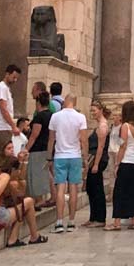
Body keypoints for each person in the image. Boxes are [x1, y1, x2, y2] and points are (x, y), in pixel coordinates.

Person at [0, 157, 48, 247]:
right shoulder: (5, 176)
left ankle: (14, 238)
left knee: (21, 209)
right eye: (18, 170)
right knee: (29, 202)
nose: (18, 173)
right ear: (13, 169)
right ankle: (34, 236)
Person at [47, 93, 88, 233]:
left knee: (60, 188)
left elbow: (51, 139)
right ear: (75, 103)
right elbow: (83, 139)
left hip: (60, 155)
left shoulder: (55, 116)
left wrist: (49, 157)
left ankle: (59, 222)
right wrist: (85, 157)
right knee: (73, 188)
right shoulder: (80, 117)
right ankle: (71, 221)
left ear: (64, 102)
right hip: (75, 155)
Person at [108, 100, 134, 230]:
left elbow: (122, 145)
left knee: (120, 192)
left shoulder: (125, 126)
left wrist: (117, 163)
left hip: (126, 161)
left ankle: (117, 222)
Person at [25, 88, 53, 208]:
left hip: (38, 148)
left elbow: (34, 134)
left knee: (37, 174)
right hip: (48, 147)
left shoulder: (39, 117)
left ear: (38, 103)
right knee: (47, 173)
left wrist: (26, 148)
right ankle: (54, 195)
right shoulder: (52, 115)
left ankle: (40, 199)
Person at [85, 100, 110, 226]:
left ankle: (100, 218)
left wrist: (96, 164)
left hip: (98, 159)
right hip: (94, 158)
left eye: (94, 110)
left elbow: (101, 147)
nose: (92, 113)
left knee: (97, 188)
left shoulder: (103, 126)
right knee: (91, 187)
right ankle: (93, 217)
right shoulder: (99, 125)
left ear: (100, 110)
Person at [0, 64, 22, 155]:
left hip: (5, 126)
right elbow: (3, 109)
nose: (15, 80)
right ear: (7, 74)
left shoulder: (6, 89)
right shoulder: (2, 88)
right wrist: (13, 126)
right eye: (14, 77)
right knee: (5, 153)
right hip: (1, 126)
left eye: (16, 78)